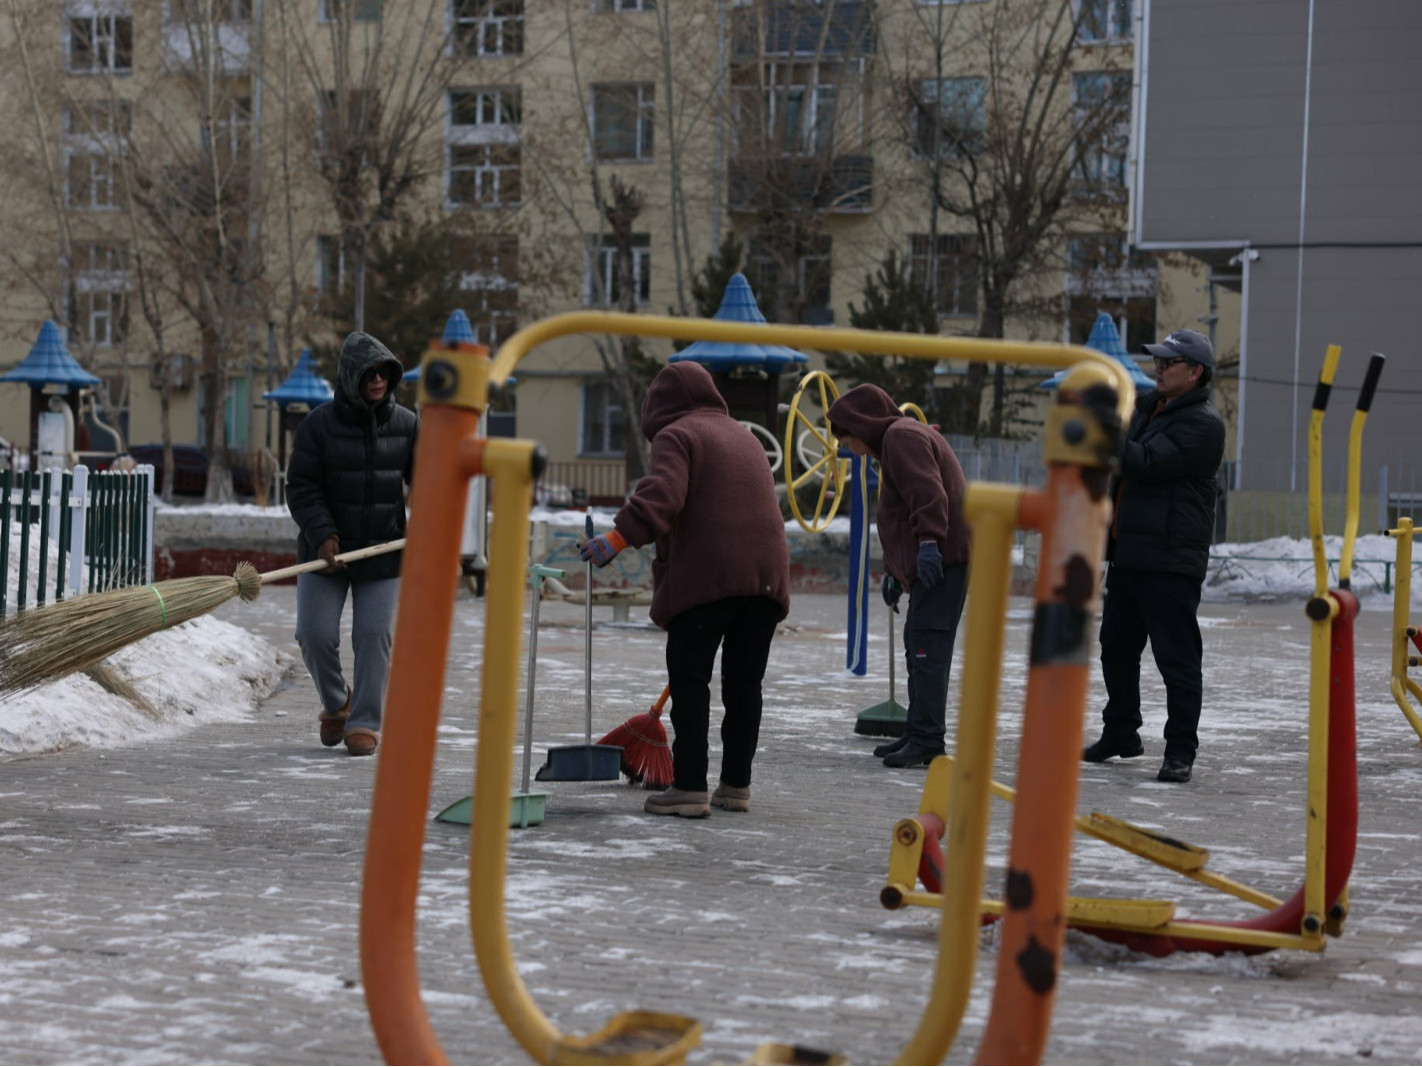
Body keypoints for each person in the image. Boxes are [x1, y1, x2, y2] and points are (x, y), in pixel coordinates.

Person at [579, 361, 790, 818]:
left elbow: (663, 495)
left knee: (690, 682)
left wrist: (615, 539)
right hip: (766, 581)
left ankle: (690, 787)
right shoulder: (745, 436)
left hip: (709, 580)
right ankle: (736, 787)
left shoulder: (680, 434)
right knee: (743, 687)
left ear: (658, 409)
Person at [1082, 328, 1225, 784]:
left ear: (1195, 372)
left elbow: (1143, 462)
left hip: (1169, 560)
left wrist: (1103, 429)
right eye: (1158, 361)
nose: (1158, 369)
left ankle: (1181, 750)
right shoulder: (1148, 409)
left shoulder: (1203, 425)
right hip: (1130, 555)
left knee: (1176, 660)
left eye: (1169, 362)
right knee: (1115, 650)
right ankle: (1122, 732)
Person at [286, 332, 419, 757]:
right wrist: (322, 535)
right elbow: (302, 487)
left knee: (374, 635)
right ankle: (335, 703)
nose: (378, 379)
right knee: (314, 635)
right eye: (369, 372)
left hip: (382, 553)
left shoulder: (408, 425)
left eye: (384, 372)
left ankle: (363, 721)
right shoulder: (318, 425)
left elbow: (428, 482)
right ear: (350, 376)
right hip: (326, 551)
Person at [825, 384, 969, 768]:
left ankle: (927, 739)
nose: (850, 449)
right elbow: (902, 515)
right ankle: (916, 730)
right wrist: (896, 572)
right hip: (936, 558)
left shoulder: (901, 438)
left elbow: (928, 494)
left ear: (863, 427)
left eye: (848, 440)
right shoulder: (896, 441)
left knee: (928, 648)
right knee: (917, 643)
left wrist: (929, 545)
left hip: (944, 558)